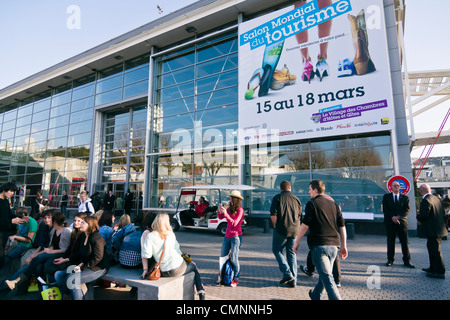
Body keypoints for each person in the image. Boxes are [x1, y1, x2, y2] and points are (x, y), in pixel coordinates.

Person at [293, 180, 347, 300]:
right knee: (325, 275)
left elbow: (305, 225)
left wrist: (296, 241)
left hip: (319, 247)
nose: (308, 192)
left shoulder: (311, 204)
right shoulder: (334, 205)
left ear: (316, 190)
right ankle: (316, 296)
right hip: (334, 247)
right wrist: (344, 246)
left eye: (310, 189)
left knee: (328, 278)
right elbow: (342, 226)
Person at [141, 213, 205, 300]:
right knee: (194, 266)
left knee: (190, 266)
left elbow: (147, 255)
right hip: (177, 268)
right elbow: (178, 251)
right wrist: (188, 261)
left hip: (163, 271)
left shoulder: (150, 236)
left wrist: (145, 269)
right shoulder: (170, 234)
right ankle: (201, 294)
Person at [5, 211, 71, 293]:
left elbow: (64, 249)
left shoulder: (66, 231)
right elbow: (50, 244)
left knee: (38, 260)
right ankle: (18, 286)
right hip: (50, 252)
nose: (47, 220)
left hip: (59, 253)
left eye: (50, 218)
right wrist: (45, 251)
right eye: (45, 218)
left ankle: (16, 282)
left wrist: (47, 252)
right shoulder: (52, 229)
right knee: (37, 266)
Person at [57, 216, 110, 300]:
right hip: (87, 265)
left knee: (73, 279)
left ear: (90, 225)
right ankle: (66, 295)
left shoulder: (97, 238)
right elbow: (82, 254)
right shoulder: (85, 236)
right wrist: (77, 262)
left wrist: (84, 267)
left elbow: (98, 257)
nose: (80, 224)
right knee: (59, 274)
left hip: (98, 268)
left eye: (83, 222)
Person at [270, 181, 302, 288]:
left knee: (277, 250)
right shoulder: (296, 199)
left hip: (282, 229)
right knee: (291, 253)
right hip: (295, 230)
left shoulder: (277, 198)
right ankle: (293, 280)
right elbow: (300, 215)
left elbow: (273, 215)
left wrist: (275, 226)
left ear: (281, 188)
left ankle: (287, 273)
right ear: (289, 187)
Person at [417, 184, 448, 279]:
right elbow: (442, 212)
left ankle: (440, 272)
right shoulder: (436, 198)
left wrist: (418, 215)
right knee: (432, 249)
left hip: (432, 230)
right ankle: (432, 268)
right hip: (439, 229)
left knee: (435, 251)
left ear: (421, 191)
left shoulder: (426, 200)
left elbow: (423, 216)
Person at [47, 212, 87, 283]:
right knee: (49, 265)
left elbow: (80, 252)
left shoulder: (84, 235)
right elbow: (69, 248)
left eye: (79, 221)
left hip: (78, 262)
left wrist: (66, 259)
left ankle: (62, 289)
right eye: (74, 220)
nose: (76, 223)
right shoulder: (74, 233)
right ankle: (52, 286)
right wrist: (64, 258)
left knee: (56, 269)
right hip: (70, 258)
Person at [382, 181, 415, 268]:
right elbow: (385, 209)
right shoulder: (386, 197)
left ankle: (407, 261)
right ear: (391, 187)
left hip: (402, 223)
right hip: (390, 223)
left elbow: (407, 210)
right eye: (394, 186)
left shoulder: (405, 198)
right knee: (390, 241)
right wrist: (392, 217)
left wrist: (398, 217)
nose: (396, 187)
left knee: (404, 242)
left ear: (400, 187)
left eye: (398, 186)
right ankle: (390, 260)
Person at [217, 190, 245, 287]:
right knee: (223, 257)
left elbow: (234, 223)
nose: (230, 199)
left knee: (234, 258)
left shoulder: (240, 210)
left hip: (236, 237)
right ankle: (221, 276)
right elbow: (220, 217)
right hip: (227, 236)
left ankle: (236, 278)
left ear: (236, 199)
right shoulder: (229, 209)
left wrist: (226, 214)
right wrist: (220, 210)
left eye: (231, 197)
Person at [0, 207, 37, 276]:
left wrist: (15, 237)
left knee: (8, 257)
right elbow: (18, 233)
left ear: (24, 214)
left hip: (25, 244)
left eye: (19, 215)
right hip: (17, 242)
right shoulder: (19, 221)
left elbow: (29, 240)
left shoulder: (32, 222)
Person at [0, 182, 23, 268]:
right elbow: (9, 219)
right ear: (4, 190)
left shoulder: (5, 201)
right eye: (11, 191)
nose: (12, 193)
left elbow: (9, 214)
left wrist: (21, 218)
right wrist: (11, 221)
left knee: (2, 256)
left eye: (13, 191)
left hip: (4, 233)